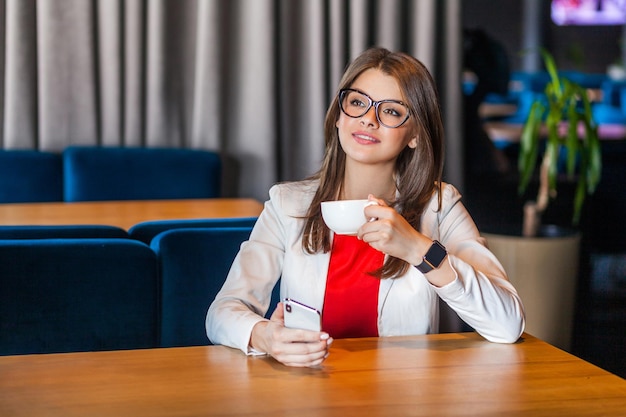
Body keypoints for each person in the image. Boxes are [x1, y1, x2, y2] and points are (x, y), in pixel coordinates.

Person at [206, 47, 525, 367]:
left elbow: (508, 324)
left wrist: (418, 249)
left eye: (391, 111)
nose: (368, 119)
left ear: (414, 134)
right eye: (357, 102)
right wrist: (265, 336)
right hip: (309, 392)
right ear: (339, 116)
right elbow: (222, 312)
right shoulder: (287, 204)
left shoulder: (438, 206)